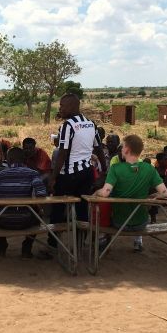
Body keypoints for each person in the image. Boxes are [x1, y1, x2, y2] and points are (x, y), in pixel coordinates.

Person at [48, 94, 105, 249]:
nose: (60, 109)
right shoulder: (91, 124)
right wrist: (104, 170)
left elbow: (63, 153)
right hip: (86, 174)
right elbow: (98, 148)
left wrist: (53, 177)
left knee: (57, 209)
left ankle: (52, 245)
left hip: (68, 175)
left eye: (62, 106)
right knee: (82, 210)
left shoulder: (68, 125)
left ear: (72, 106)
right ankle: (79, 245)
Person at [95, 135, 167, 252]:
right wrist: (151, 197)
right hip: (141, 223)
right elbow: (165, 194)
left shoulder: (115, 168)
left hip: (120, 223)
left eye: (122, 146)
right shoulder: (149, 168)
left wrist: (96, 192)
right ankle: (137, 240)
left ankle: (101, 240)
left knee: (102, 209)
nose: (121, 149)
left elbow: (105, 193)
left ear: (127, 149)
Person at [0, 147, 49, 259]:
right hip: (26, 220)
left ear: (8, 160)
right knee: (37, 213)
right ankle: (26, 249)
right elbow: (42, 194)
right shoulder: (33, 174)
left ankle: (1, 247)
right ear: (25, 160)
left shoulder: (0, 175)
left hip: (3, 220)